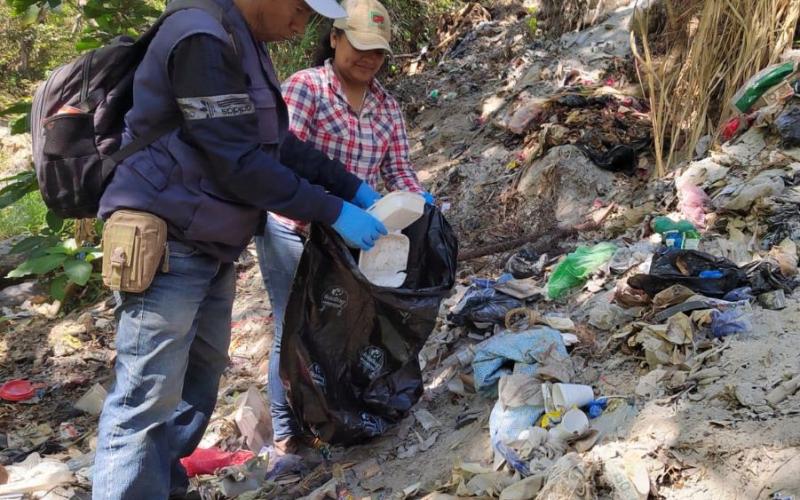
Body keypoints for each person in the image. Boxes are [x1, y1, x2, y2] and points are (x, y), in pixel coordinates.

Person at [92, 0, 389, 498]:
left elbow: (278, 146)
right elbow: (239, 163)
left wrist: (352, 188)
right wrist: (334, 210)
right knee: (146, 398)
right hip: (167, 240)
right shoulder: (201, 38)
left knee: (197, 384)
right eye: (300, 8)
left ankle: (161, 487)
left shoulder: (243, 44)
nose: (304, 23)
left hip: (211, 243)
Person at [255, 0, 433, 453]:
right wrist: (334, 206)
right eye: (359, 46)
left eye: (378, 52)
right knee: (293, 327)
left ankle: (333, 416)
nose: (368, 59)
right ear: (334, 39)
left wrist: (419, 202)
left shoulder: (386, 107)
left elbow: (398, 170)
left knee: (342, 327)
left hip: (351, 240)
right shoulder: (306, 89)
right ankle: (287, 436)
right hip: (294, 229)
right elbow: (280, 163)